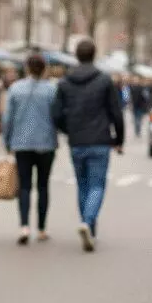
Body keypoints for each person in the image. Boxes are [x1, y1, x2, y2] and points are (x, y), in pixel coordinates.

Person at [52, 39, 124, 252]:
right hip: (100, 140)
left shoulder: (65, 82)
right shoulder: (104, 81)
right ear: (95, 54)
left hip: (77, 141)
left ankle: (89, 227)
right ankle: (88, 221)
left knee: (82, 185)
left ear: (76, 55)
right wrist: (119, 139)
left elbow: (56, 114)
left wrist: (68, 130)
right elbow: (115, 112)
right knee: (97, 185)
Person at [2, 55, 57, 245]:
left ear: (26, 68)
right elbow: (57, 116)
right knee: (43, 185)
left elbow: (7, 118)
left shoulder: (15, 89)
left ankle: (24, 226)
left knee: (24, 186)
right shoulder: (51, 90)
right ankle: (41, 228)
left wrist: (7, 141)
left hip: (21, 143)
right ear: (44, 69)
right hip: (46, 143)